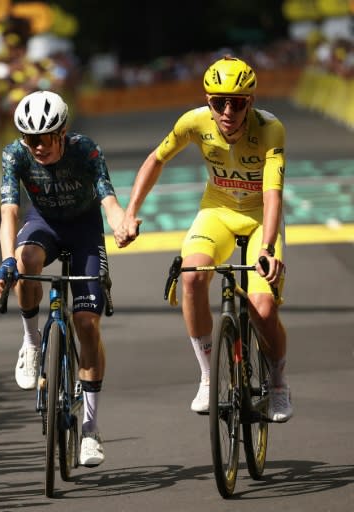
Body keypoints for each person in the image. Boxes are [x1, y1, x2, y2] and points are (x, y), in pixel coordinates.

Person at [115, 56, 292, 422]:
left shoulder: (271, 130)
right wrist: (130, 211)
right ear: (207, 101)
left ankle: (277, 383)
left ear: (251, 102)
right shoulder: (194, 122)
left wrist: (266, 249)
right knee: (192, 277)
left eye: (238, 102)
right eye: (218, 102)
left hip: (260, 218)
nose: (228, 111)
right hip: (217, 212)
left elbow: (273, 194)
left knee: (262, 307)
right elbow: (156, 159)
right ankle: (209, 376)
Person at [0, 90, 126, 467]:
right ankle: (32, 343)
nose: (36, 146)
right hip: (44, 224)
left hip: (84, 231)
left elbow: (108, 200)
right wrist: (6, 261)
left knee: (86, 324)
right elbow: (9, 212)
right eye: (29, 138)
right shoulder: (14, 154)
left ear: (62, 132)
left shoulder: (86, 151)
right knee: (26, 258)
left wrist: (121, 225)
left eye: (44, 138)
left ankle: (91, 428)